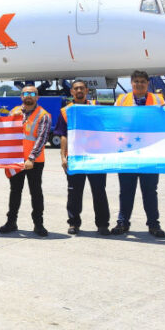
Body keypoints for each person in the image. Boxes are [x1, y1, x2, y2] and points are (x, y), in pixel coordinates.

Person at [110, 70, 165, 238]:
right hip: (128, 153)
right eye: (136, 81)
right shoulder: (121, 100)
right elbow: (113, 120)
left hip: (150, 153)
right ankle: (123, 222)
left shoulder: (158, 99)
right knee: (126, 191)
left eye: (142, 81)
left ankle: (153, 224)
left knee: (150, 191)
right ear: (131, 83)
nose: (139, 84)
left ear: (147, 83)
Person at [54, 79, 110, 236]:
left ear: (87, 91)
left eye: (82, 88)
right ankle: (73, 223)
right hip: (75, 158)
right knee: (74, 193)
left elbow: (105, 129)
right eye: (76, 88)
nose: (79, 91)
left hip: (94, 157)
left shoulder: (96, 108)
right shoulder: (66, 111)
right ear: (71, 92)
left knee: (99, 192)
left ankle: (103, 224)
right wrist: (63, 157)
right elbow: (63, 135)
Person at [0, 84, 51, 236]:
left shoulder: (44, 115)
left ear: (37, 97)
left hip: (34, 162)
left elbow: (42, 139)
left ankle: (38, 224)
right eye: (26, 93)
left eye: (32, 93)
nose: (29, 96)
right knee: (15, 192)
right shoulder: (14, 111)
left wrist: (31, 158)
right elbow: (6, 131)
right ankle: (11, 222)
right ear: (21, 96)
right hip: (16, 160)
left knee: (36, 192)